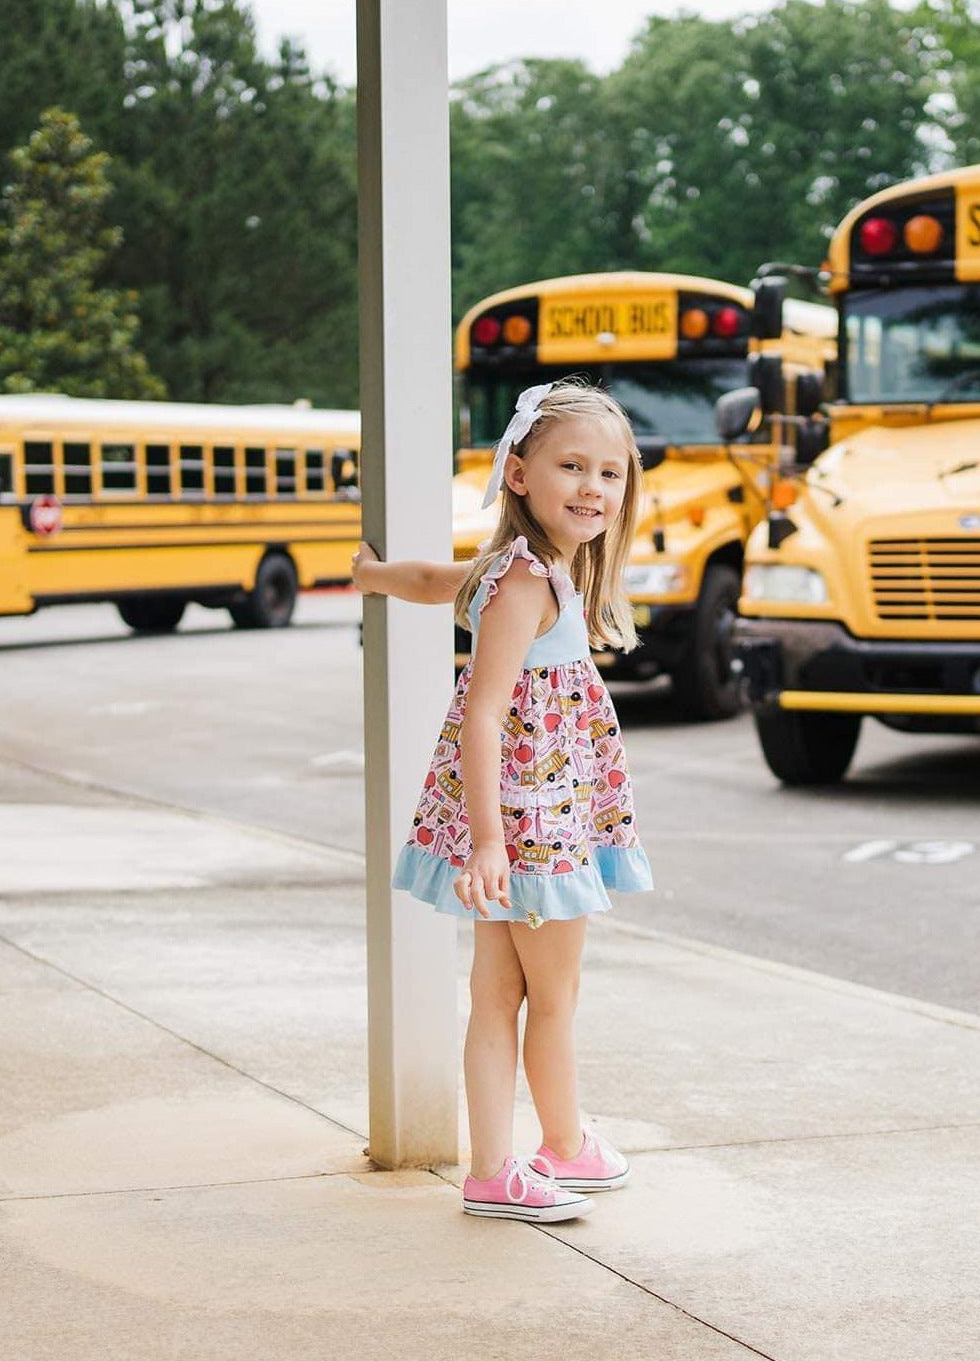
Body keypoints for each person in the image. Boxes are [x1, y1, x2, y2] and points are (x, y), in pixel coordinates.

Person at [351, 380, 653, 1223]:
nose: (593, 487)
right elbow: (482, 709)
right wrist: (490, 840)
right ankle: (558, 1146)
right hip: (534, 823)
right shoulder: (528, 582)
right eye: (571, 467)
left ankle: (501, 1164)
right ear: (518, 475)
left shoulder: (511, 567)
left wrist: (373, 575)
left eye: (610, 471)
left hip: (527, 814)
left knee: (497, 996)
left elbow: (423, 577)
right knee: (552, 999)